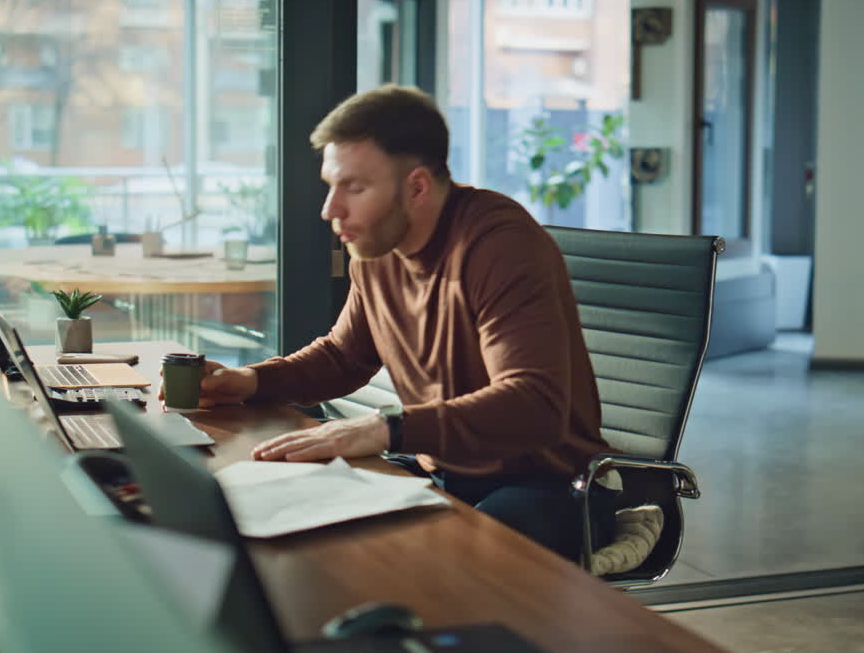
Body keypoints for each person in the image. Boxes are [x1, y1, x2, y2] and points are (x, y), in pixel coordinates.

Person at [194, 84, 616, 562]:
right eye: (331, 184)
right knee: (291, 520)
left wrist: (385, 428)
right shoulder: (375, 250)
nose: (330, 210)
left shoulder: (500, 245)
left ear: (416, 187)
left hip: (552, 485)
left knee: (442, 560)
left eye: (354, 188)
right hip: (443, 473)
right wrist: (249, 380)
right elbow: (344, 356)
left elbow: (534, 403)